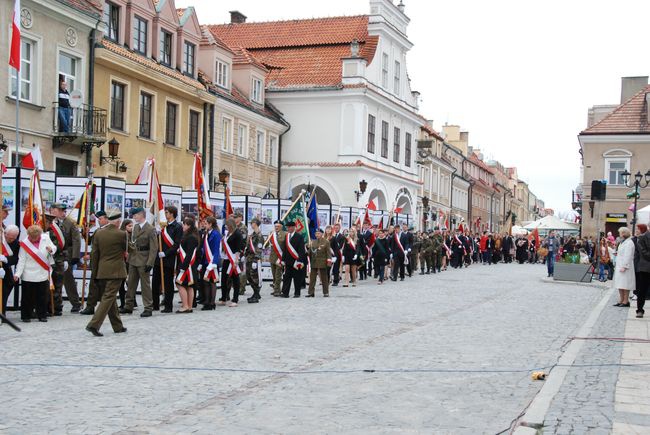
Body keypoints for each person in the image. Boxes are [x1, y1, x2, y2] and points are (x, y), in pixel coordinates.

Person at [85, 213, 128, 336]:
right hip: (116, 271)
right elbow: (128, 249)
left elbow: (94, 254)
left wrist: (95, 271)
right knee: (108, 298)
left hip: (102, 271)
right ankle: (94, 324)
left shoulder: (98, 233)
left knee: (110, 298)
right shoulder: (122, 234)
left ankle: (117, 326)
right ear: (118, 222)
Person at [14, 225, 56, 323]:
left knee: (42, 296)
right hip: (28, 273)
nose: (33, 239)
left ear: (39, 235)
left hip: (42, 271)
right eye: (31, 237)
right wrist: (17, 274)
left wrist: (51, 250)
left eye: (35, 237)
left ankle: (42, 315)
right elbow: (22, 260)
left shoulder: (45, 238)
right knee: (27, 297)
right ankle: (26, 316)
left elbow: (54, 247)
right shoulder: (25, 243)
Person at [123, 207, 157, 317]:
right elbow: (132, 243)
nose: (134, 217)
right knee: (131, 283)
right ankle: (128, 306)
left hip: (144, 259)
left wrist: (150, 262)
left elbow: (153, 248)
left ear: (142, 215)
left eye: (136, 215)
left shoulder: (150, 229)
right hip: (134, 259)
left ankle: (148, 307)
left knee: (145, 285)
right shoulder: (136, 227)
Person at [50, 203, 82, 312]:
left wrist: (75, 256)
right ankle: (53, 304)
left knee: (68, 279)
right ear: (53, 211)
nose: (63, 213)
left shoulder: (70, 223)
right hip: (49, 254)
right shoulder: (47, 221)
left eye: (64, 211)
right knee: (51, 279)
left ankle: (75, 303)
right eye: (60, 211)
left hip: (65, 254)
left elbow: (76, 239)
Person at [80, 211, 110, 315]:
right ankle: (90, 307)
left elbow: (104, 249)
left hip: (103, 262)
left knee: (103, 286)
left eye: (100, 219)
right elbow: (90, 242)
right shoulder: (98, 230)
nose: (99, 221)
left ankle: (104, 308)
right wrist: (86, 233)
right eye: (98, 219)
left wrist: (91, 255)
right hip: (95, 263)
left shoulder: (108, 231)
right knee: (93, 285)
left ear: (107, 219)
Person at [154, 206, 182, 313]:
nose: (165, 214)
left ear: (172, 214)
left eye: (167, 212)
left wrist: (165, 253)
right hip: (158, 258)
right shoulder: (162, 226)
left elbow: (176, 244)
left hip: (169, 259)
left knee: (168, 283)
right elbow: (158, 241)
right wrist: (156, 233)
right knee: (155, 282)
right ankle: (155, 304)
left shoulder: (177, 227)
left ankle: (168, 306)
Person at [175, 217, 200, 313]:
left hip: (187, 265)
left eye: (184, 224)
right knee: (189, 286)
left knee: (179, 284)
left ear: (189, 226)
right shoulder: (190, 235)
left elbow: (189, 254)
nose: (183, 226)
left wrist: (183, 267)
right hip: (189, 265)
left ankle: (185, 305)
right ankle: (189, 306)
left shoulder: (191, 237)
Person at [44, 212, 66, 317]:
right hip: (49, 262)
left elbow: (60, 245)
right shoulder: (45, 232)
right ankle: (48, 307)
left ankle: (56, 307)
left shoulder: (56, 230)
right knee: (48, 285)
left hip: (57, 261)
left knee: (57, 285)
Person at [219, 218, 244, 307]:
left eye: (227, 225)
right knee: (224, 279)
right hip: (226, 258)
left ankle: (235, 299)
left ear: (231, 225)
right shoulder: (227, 233)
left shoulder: (238, 234)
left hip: (233, 259)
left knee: (235, 279)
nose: (226, 227)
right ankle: (223, 298)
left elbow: (238, 248)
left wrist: (236, 261)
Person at [199, 216, 221, 310]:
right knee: (205, 282)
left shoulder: (216, 234)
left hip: (212, 261)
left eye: (206, 223)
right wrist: (201, 262)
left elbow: (217, 249)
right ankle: (206, 302)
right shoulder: (206, 233)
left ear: (210, 224)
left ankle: (212, 303)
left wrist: (214, 262)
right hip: (205, 261)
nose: (204, 224)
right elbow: (204, 249)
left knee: (212, 282)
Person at [281, 221, 306, 298]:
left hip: (296, 261)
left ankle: (297, 293)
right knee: (286, 278)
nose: (288, 228)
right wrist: (283, 259)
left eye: (290, 227)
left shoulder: (299, 236)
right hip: (288, 261)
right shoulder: (287, 236)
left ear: (294, 227)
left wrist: (299, 260)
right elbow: (285, 249)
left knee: (297, 278)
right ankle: (285, 293)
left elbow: (301, 250)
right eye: (287, 227)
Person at [0, 225, 20, 318]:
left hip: (6, 270)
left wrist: (6, 259)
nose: (11, 240)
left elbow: (16, 258)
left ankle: (2, 314)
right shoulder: (1, 239)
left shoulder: (16, 243)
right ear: (5, 234)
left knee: (4, 292)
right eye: (9, 238)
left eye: (13, 238)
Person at [613, 227, 635, 308]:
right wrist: (617, 253)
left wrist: (625, 266)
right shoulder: (622, 242)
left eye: (620, 232)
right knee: (619, 284)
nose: (619, 234)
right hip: (619, 265)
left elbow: (628, 255)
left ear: (624, 233)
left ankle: (626, 301)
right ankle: (621, 300)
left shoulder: (629, 243)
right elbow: (622, 253)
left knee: (625, 284)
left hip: (625, 266)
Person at [307, 228, 331, 297]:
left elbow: (328, 253)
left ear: (322, 234)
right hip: (314, 262)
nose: (317, 235)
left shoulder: (326, 242)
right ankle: (311, 293)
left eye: (318, 233)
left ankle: (326, 292)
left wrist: (329, 261)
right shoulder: (313, 242)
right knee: (312, 278)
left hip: (322, 262)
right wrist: (307, 250)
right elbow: (310, 252)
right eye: (316, 233)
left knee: (324, 278)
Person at [245, 218, 264, 303]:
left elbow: (259, 249)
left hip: (255, 260)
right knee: (249, 276)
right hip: (249, 258)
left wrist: (255, 261)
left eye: (252, 223)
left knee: (255, 277)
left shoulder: (259, 235)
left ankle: (256, 294)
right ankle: (255, 293)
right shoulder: (252, 234)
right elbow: (249, 247)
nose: (251, 224)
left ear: (255, 223)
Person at [635, 224, 650, 318]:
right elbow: (643, 253)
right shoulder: (642, 238)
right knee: (642, 290)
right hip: (645, 267)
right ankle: (640, 310)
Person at [118, 219, 133, 309]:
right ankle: (123, 302)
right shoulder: (122, 235)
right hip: (122, 261)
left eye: (132, 226)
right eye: (129, 226)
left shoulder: (133, 236)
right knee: (121, 283)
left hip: (130, 262)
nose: (131, 228)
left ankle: (132, 301)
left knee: (130, 283)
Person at [268, 220, 285, 297]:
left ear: (281, 227)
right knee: (274, 275)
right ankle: (275, 288)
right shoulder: (272, 234)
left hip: (280, 258)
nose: (276, 227)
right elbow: (267, 244)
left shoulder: (285, 234)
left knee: (278, 275)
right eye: (275, 226)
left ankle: (277, 290)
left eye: (278, 226)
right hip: (272, 257)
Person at [233, 212, 248, 296]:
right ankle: (236, 287)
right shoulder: (234, 227)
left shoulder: (243, 228)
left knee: (242, 271)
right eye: (234, 217)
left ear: (240, 218)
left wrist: (241, 251)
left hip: (240, 251)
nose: (234, 219)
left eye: (236, 217)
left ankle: (241, 288)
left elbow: (242, 241)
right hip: (234, 251)